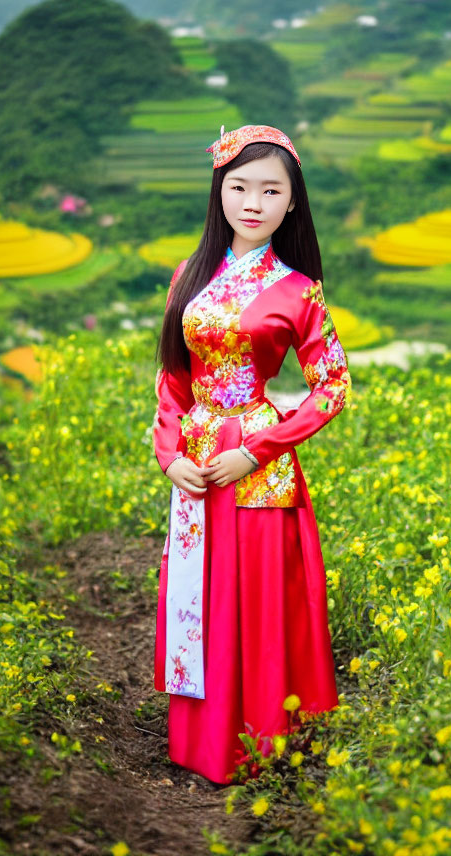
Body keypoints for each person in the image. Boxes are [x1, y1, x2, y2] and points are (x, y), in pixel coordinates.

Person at [149, 123, 352, 785]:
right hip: (198, 461)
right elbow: (173, 377)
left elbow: (332, 388)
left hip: (257, 465)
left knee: (259, 603)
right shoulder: (191, 275)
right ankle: (198, 743)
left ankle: (261, 742)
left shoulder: (301, 293)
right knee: (199, 599)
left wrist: (259, 450)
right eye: (240, 186)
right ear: (220, 191)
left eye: (271, 190)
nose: (253, 202)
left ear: (292, 202)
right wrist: (168, 452)